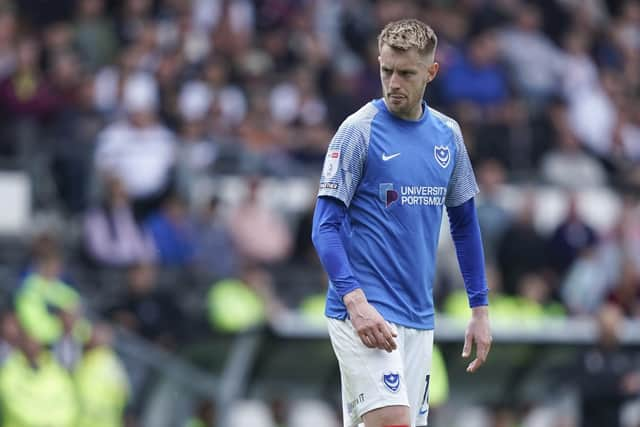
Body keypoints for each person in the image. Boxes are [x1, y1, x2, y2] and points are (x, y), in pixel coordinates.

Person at [311, 19, 492, 427]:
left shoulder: (448, 135)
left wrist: (479, 308)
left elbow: (464, 224)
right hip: (364, 309)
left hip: (418, 317)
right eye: (386, 70)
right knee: (394, 421)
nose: (394, 83)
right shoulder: (358, 131)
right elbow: (324, 225)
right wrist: (355, 303)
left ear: (431, 72)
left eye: (406, 73)